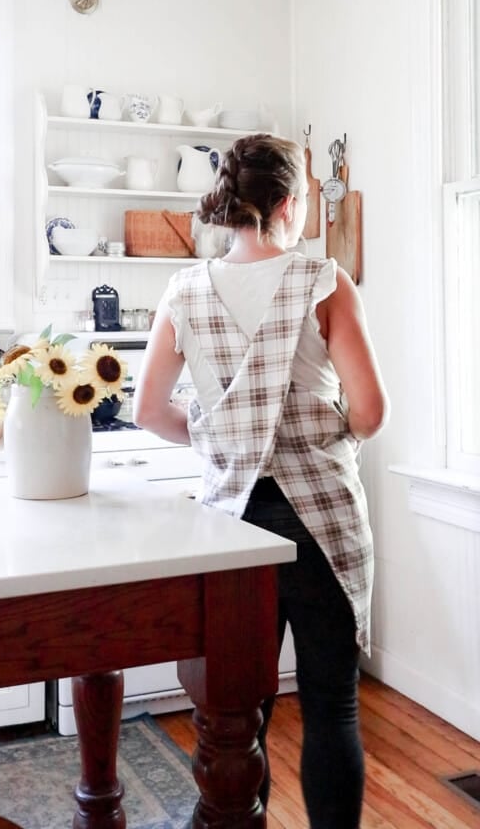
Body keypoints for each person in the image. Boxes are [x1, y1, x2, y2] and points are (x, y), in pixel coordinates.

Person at [133, 133, 389, 829]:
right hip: (322, 524)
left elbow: (148, 410)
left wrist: (224, 440)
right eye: (305, 197)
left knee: (239, 712)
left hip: (232, 528)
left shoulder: (184, 290)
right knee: (331, 704)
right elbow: (369, 411)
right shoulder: (323, 281)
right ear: (284, 203)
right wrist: (323, 430)